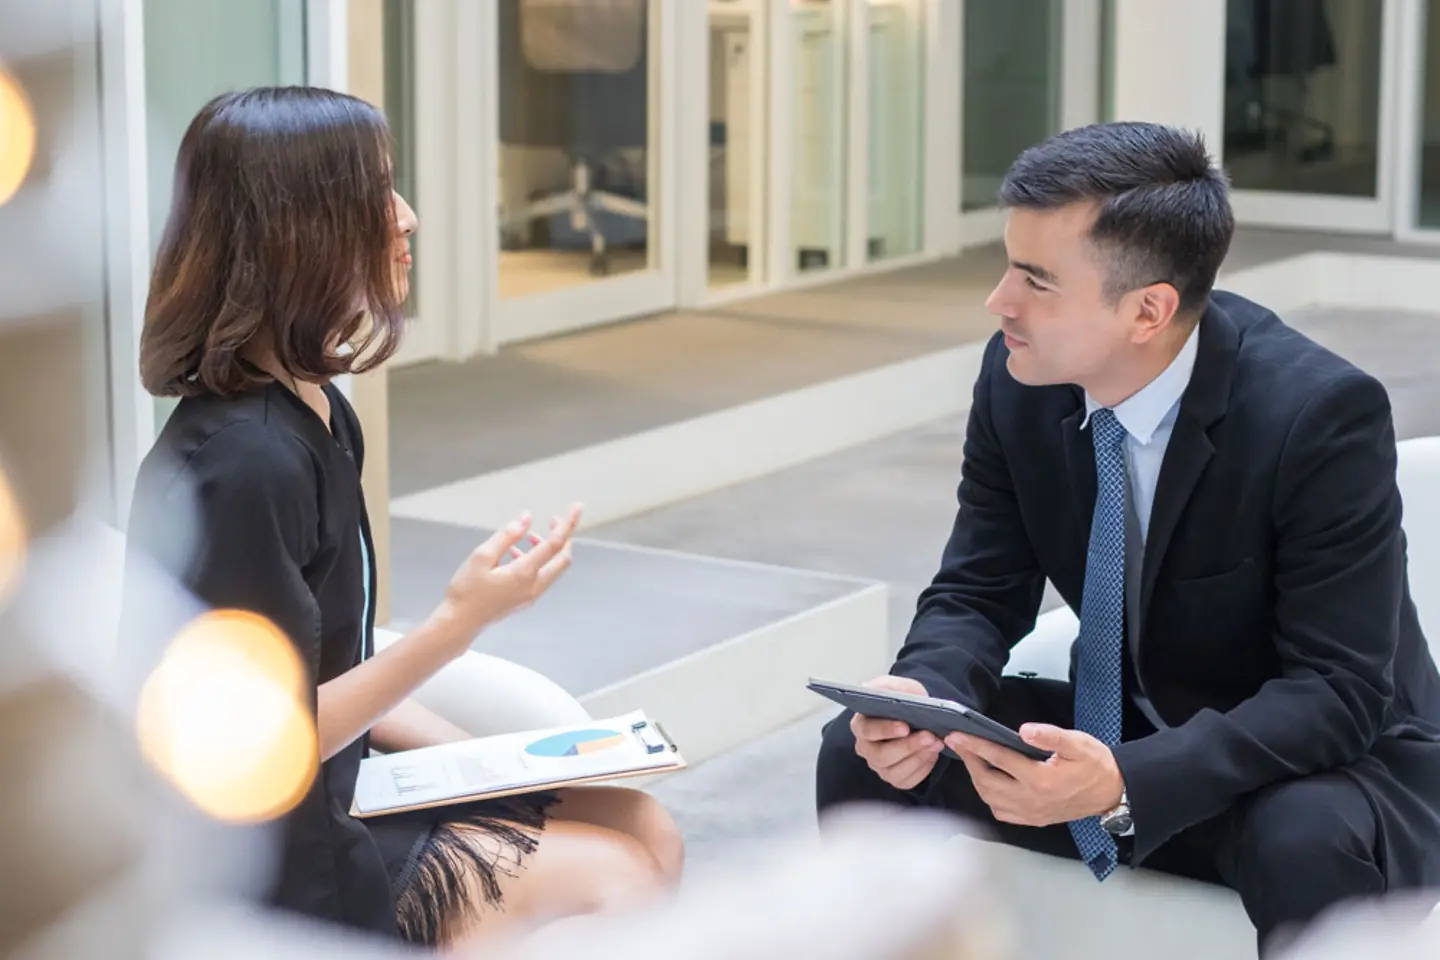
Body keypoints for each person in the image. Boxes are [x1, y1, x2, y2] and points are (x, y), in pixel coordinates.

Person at [815, 121, 1440, 956]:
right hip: (1122, 731)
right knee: (863, 759)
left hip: (1308, 763)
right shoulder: (1020, 380)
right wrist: (925, 696)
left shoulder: (1316, 416)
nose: (999, 300)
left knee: (1304, 836)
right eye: (1007, 264)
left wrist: (1126, 780)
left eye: (1036, 280)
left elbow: (1338, 692)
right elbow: (977, 587)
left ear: (1149, 309)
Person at [121, 86, 683, 950]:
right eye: (377, 195)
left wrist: (480, 769)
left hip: (340, 786)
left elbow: (328, 655)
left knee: (646, 826)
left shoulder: (316, 410)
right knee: (618, 879)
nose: (408, 216)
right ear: (299, 230)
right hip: (269, 856)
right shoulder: (242, 466)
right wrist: (456, 628)